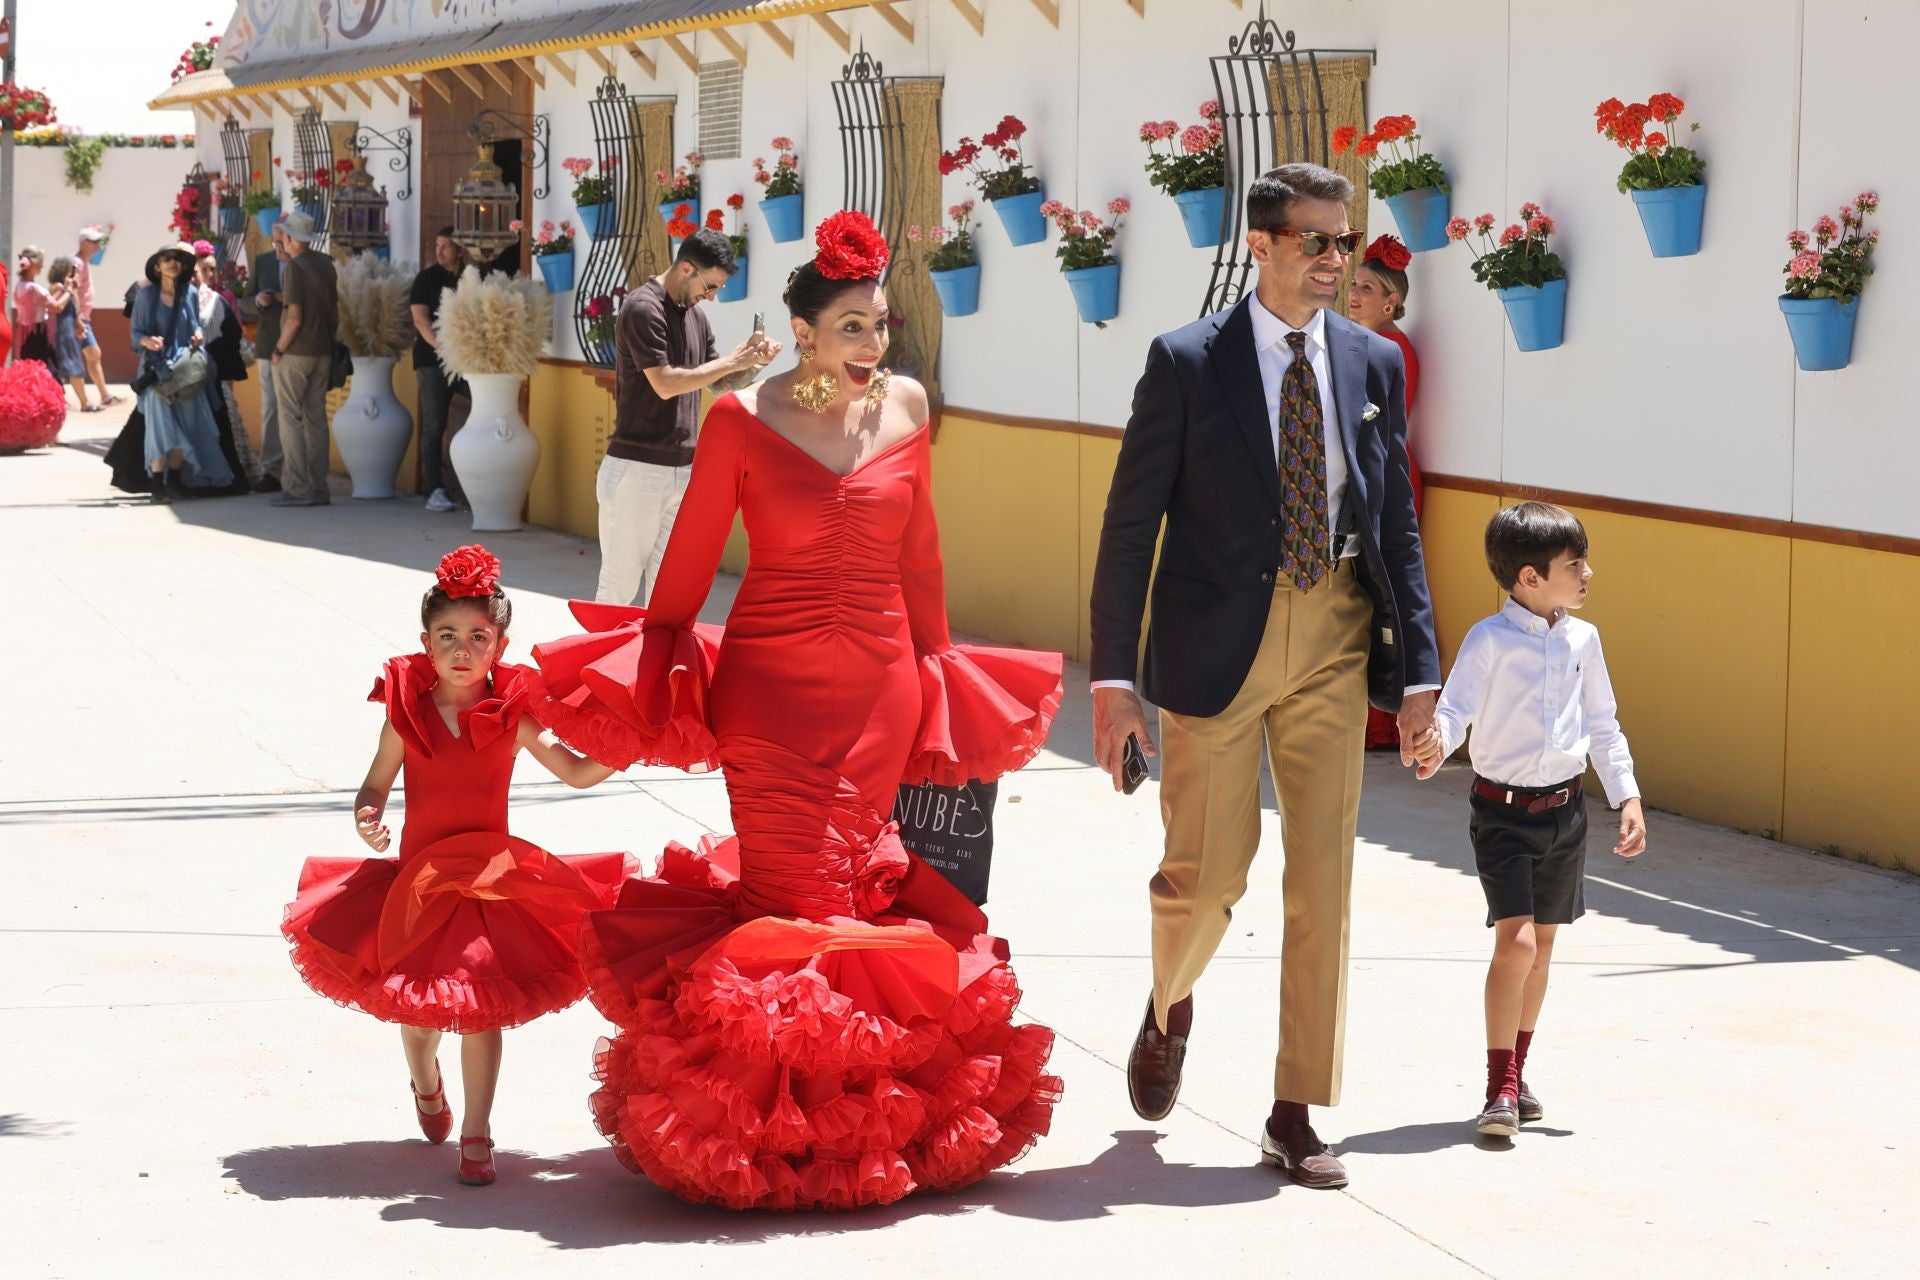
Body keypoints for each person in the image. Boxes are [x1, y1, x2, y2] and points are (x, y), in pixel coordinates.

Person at [531, 211, 1064, 1211]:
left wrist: (941, 662)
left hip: (881, 690)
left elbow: (924, 553)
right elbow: (690, 557)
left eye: (880, 326)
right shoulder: (741, 417)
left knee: (854, 892)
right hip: (768, 690)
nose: (872, 346)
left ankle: (847, 1126)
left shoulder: (907, 407)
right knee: (791, 895)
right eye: (851, 327)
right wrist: (650, 657)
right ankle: (762, 1128)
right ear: (807, 332)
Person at [1088, 163, 1440, 1190]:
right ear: (1265, 244)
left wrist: (1420, 670)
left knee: (1322, 879)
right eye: (1318, 241)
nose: (1339, 260)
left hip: (1335, 630)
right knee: (1206, 877)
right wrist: (1114, 681)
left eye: (1347, 242)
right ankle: (1170, 1001)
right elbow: (1128, 527)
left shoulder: (1376, 364)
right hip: (1216, 644)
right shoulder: (1187, 361)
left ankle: (1295, 1105)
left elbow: (1397, 526)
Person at [281, 546, 634, 1186]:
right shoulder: (406, 716)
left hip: (491, 885)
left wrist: (630, 744)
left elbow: (578, 772)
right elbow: (374, 786)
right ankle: (424, 1082)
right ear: (425, 642)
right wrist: (368, 816)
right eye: (448, 636)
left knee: (482, 1010)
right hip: (416, 889)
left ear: (500, 645)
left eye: (478, 637)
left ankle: (478, 1133)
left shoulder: (511, 717)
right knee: (419, 1020)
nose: (462, 649)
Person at [1413, 502, 1646, 1137]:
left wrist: (1627, 796)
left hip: (1566, 814)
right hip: (1502, 814)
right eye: (1575, 564)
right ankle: (1499, 1088)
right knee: (1514, 942)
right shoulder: (1489, 639)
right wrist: (1436, 742)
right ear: (1529, 578)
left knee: (1542, 949)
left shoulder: (1584, 639)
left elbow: (1604, 725)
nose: (1587, 573)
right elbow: (1455, 710)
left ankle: (1516, 1072)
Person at [596, 226, 776, 606]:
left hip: (682, 472)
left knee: (665, 595)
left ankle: (651, 669)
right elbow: (664, 383)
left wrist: (752, 363)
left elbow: (715, 382)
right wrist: (733, 359)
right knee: (617, 593)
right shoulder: (642, 307)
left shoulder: (695, 316)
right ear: (687, 269)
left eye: (716, 291)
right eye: (709, 286)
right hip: (637, 470)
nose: (709, 297)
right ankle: (594, 667)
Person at [1348, 233, 1425, 753]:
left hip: (1385, 475)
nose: (1353, 295)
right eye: (1354, 285)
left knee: (1387, 590)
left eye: (1367, 288)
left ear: (1391, 300)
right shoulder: (1367, 344)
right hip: (1365, 473)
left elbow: (1377, 425)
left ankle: (1383, 717)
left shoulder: (1392, 350)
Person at [130, 242, 234, 503]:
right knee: (161, 428)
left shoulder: (188, 293)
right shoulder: (146, 296)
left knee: (187, 427)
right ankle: (156, 485)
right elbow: (135, 335)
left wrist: (198, 335)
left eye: (177, 259)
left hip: (184, 371)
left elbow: (195, 326)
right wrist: (147, 342)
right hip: (157, 372)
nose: (172, 263)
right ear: (157, 266)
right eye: (166, 258)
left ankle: (175, 481)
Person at [269, 210, 339, 508]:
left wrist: (278, 349)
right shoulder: (326, 263)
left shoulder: (293, 269)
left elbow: (295, 319)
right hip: (323, 350)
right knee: (316, 419)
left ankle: (298, 488)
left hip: (296, 352)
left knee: (289, 417)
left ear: (290, 238)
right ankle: (319, 488)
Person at [408, 228, 472, 513]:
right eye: (438, 244)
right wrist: (446, 350)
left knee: (480, 415)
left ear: (460, 249)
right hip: (433, 362)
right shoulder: (426, 278)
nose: (440, 250)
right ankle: (434, 489)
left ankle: (474, 486)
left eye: (447, 245)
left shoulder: (472, 278)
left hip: (467, 363)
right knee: (434, 425)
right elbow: (421, 321)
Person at [195, 249, 261, 492]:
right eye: (204, 269)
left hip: (217, 370)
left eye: (212, 269)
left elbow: (233, 334)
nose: (209, 274)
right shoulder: (185, 297)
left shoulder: (221, 297)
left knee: (228, 422)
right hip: (192, 372)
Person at [249, 223, 291, 492]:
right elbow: (244, 299)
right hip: (268, 345)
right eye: (274, 242)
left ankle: (301, 471)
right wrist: (258, 301)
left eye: (281, 242)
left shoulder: (310, 264)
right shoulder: (263, 262)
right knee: (271, 407)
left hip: (301, 346)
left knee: (298, 410)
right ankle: (271, 471)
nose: (277, 248)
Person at [72, 227, 122, 408]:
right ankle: (87, 401)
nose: (97, 246)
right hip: (78, 318)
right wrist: (77, 317)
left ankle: (103, 396)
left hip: (82, 318)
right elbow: (72, 290)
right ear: (83, 243)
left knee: (92, 355)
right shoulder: (77, 263)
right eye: (94, 242)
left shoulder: (83, 262)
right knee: (81, 358)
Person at [43, 257, 98, 411]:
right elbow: (54, 305)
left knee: (73, 366)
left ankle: (82, 402)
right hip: (60, 333)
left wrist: (78, 322)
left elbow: (73, 307)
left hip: (67, 331)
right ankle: (82, 402)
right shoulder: (57, 287)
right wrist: (67, 289)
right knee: (70, 367)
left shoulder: (68, 287)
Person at [12, 246, 55, 372]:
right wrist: (68, 291)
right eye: (41, 263)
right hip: (37, 333)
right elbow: (56, 307)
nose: (42, 266)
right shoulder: (35, 289)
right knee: (41, 369)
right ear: (34, 264)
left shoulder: (19, 286)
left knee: (27, 368)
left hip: (23, 332)